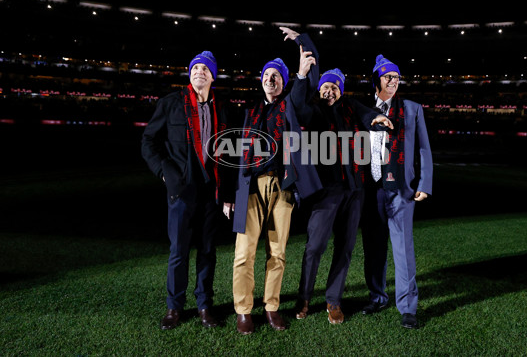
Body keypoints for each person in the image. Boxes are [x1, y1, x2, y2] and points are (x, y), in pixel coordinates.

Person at [225, 27, 322, 335]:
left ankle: (271, 307)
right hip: (249, 188)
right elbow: (237, 156)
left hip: (283, 187)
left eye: (277, 76)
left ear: (284, 81)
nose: (271, 79)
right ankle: (243, 311)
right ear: (261, 81)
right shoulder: (250, 111)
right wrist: (230, 196)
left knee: (277, 253)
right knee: (244, 253)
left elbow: (308, 70)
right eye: (267, 75)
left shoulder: (291, 105)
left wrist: (301, 41)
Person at [290, 53, 393, 324]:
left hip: (355, 190)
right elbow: (298, 107)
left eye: (335, 87)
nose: (330, 90)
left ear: (340, 91)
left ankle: (333, 300)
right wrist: (301, 76)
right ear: (319, 89)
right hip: (327, 191)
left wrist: (377, 118)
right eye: (325, 86)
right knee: (316, 246)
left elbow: (367, 113)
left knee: (345, 247)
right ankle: (304, 297)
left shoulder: (350, 106)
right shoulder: (314, 109)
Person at [141, 51, 228, 330]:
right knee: (178, 251)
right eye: (195, 68)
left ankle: (204, 306)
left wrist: (227, 192)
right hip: (181, 191)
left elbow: (229, 153)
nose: (199, 71)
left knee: (207, 251)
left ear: (213, 76)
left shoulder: (222, 107)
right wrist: (164, 172)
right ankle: (174, 308)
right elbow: (148, 141)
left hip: (211, 191)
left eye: (205, 68)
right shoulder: (171, 103)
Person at [360, 54, 433, 329]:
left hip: (402, 189)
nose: (393, 81)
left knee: (403, 250)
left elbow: (424, 149)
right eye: (388, 77)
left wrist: (425, 184)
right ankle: (378, 297)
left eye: (396, 78)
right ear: (376, 80)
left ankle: (408, 308)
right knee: (374, 249)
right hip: (371, 189)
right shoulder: (363, 109)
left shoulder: (412, 109)